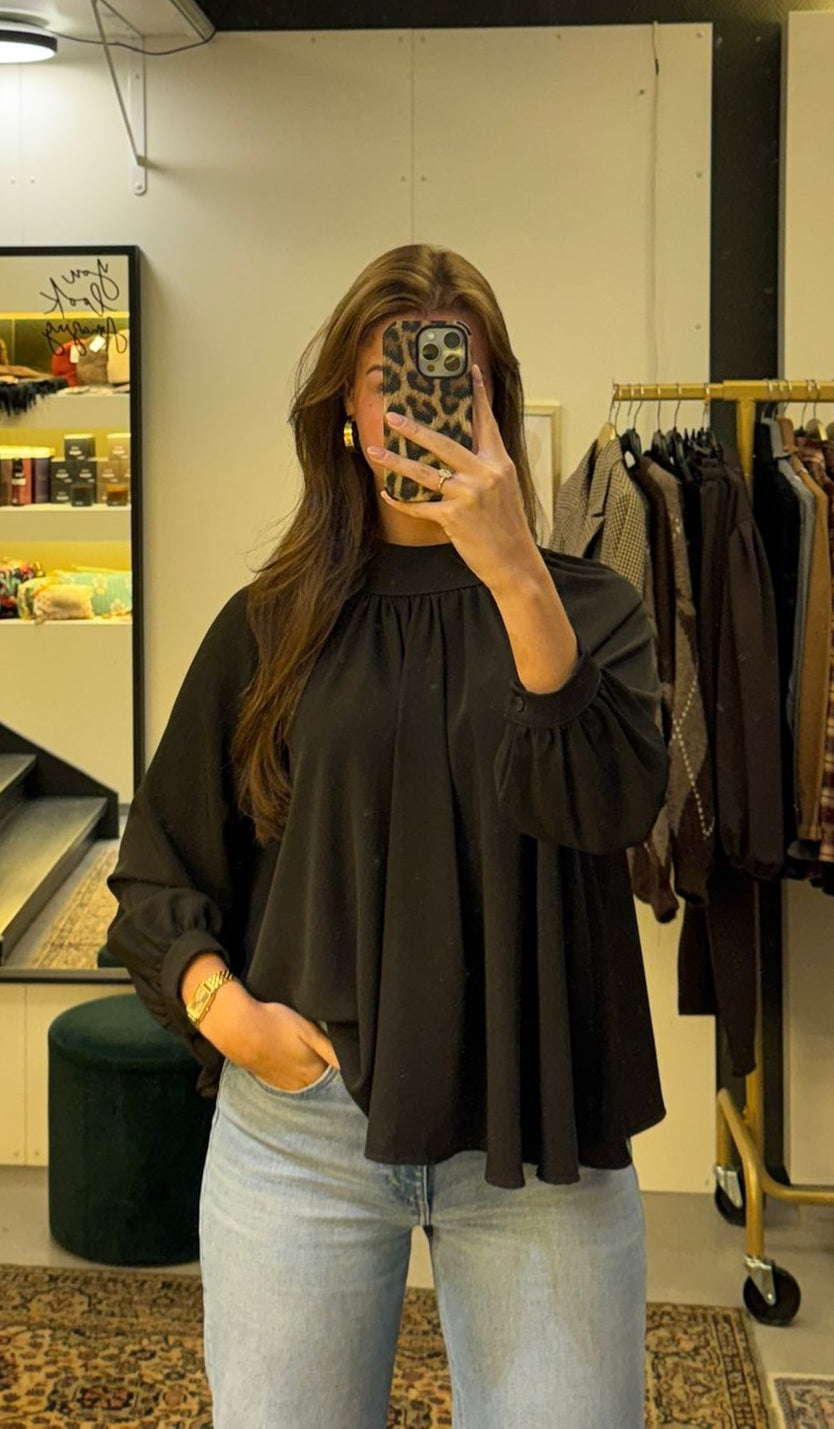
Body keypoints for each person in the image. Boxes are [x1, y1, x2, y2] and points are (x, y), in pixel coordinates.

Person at [107, 243, 669, 1429]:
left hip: (543, 1130)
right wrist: (226, 1015)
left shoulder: (589, 608)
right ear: (346, 416)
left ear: (495, 403)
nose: (420, 404)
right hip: (303, 1131)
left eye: (456, 376)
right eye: (388, 379)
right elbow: (161, 860)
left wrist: (516, 574)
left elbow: (614, 806)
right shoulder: (272, 626)